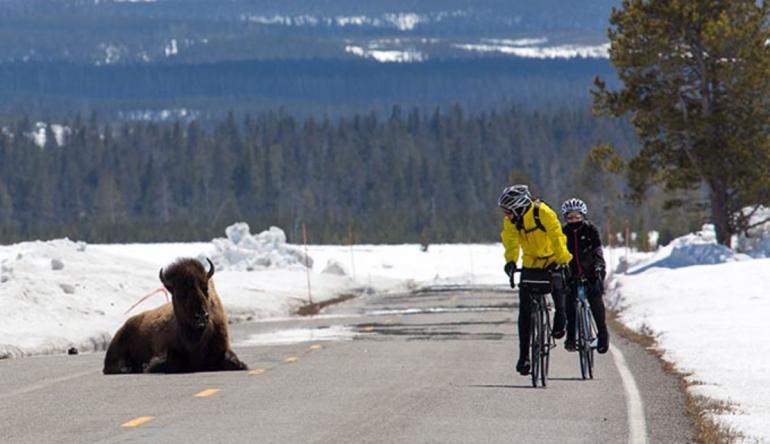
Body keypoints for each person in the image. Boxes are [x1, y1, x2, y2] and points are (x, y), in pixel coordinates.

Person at [498, 184, 573, 375]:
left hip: (552, 258)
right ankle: (524, 356)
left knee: (558, 288)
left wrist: (563, 260)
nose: (506, 214)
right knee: (524, 311)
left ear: (519, 206)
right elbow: (510, 242)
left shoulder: (543, 213)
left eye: (508, 210)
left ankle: (561, 317)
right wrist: (511, 262)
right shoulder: (512, 221)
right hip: (531, 262)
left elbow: (557, 236)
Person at [560, 198, 610, 354]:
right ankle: (571, 337)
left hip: (590, 272)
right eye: (570, 217)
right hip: (571, 274)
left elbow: (597, 250)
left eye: (577, 216)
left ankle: (602, 334)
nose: (574, 220)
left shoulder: (590, 230)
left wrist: (599, 267)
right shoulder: (562, 232)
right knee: (570, 304)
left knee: (595, 301)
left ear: (583, 216)